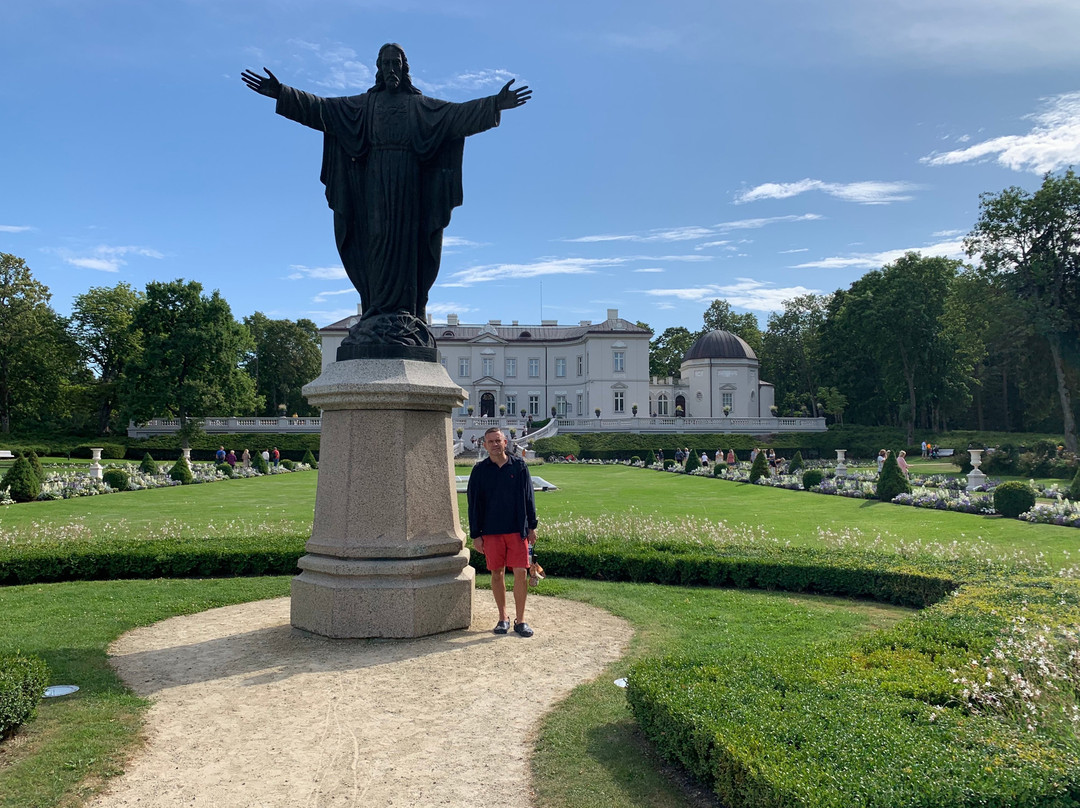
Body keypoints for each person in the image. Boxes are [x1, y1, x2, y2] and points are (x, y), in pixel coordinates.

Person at [242, 46, 531, 353]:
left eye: (397, 63)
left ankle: (407, 313)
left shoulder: (419, 106)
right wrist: (282, 94)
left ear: (405, 68)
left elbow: (457, 116)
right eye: (386, 63)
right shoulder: (365, 105)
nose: (391, 68)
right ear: (378, 68)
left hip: (409, 187)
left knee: (408, 248)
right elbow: (322, 109)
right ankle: (376, 311)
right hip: (374, 186)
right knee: (375, 244)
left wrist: (494, 104)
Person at [467, 427, 538, 637]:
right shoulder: (479, 471)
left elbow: (529, 497)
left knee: (521, 572)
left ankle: (521, 619)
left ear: (505, 442)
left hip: (517, 529)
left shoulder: (519, 466)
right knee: (496, 573)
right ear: (485, 444)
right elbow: (474, 505)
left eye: (498, 440)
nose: (495, 444)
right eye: (491, 441)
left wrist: (532, 526)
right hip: (491, 530)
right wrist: (476, 535)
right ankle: (502, 617)